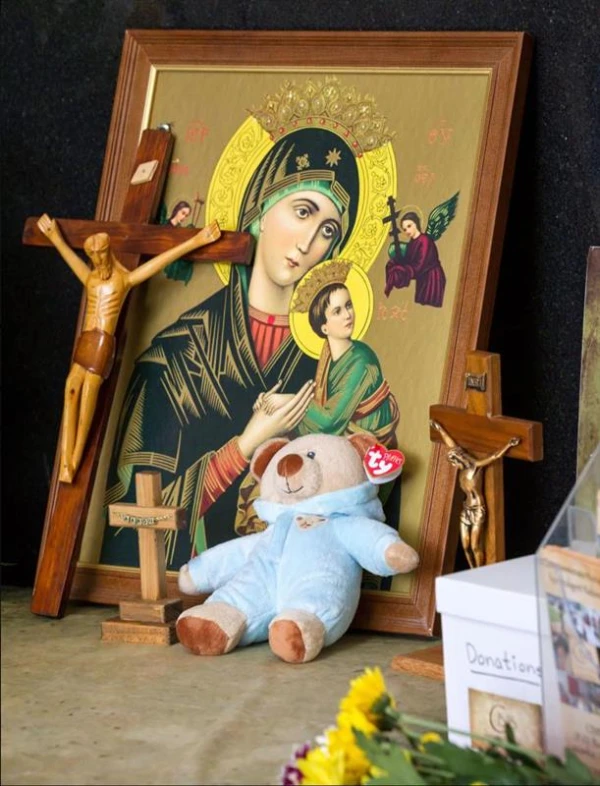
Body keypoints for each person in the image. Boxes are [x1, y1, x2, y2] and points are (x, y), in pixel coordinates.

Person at [101, 123, 367, 569]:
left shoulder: (335, 361)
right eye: (303, 212)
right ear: (259, 209)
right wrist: (242, 448)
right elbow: (131, 523)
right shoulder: (173, 360)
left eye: (327, 231)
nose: (308, 243)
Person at [36, 214, 221, 484]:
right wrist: (55, 237)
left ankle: (73, 462)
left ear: (108, 252)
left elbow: (160, 262)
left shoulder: (122, 280)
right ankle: (66, 460)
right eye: (93, 257)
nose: (98, 262)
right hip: (87, 339)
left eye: (100, 255)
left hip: (102, 342)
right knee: (70, 387)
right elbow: (72, 261)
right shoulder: (92, 281)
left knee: (89, 391)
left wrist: (196, 240)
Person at [257, 260, 399, 448]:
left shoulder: (362, 361)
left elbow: (329, 422)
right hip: (343, 443)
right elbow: (319, 414)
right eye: (337, 311)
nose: (348, 315)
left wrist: (287, 401)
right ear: (324, 327)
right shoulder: (329, 358)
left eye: (348, 306)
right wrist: (271, 406)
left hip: (367, 450)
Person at [430, 420, 520, 568]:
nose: (454, 465)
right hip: (466, 510)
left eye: (454, 461)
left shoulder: (475, 466)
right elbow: (452, 445)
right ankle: (472, 571)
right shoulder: (461, 472)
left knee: (475, 546)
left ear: (460, 458)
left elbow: (494, 457)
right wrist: (440, 429)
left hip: (478, 510)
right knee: (465, 546)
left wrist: (509, 444)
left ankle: (480, 571)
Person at [384, 212, 446, 307]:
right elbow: (409, 260)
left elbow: (420, 264)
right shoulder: (412, 242)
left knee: (428, 307)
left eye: (409, 226)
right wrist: (396, 262)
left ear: (416, 223)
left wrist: (403, 270)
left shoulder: (425, 240)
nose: (407, 231)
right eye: (404, 229)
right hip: (422, 279)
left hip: (432, 279)